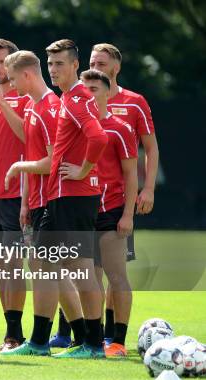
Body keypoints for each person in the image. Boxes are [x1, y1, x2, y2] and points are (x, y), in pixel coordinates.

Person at [89, 42, 158, 343]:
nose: (96, 67)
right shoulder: (81, 105)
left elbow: (151, 148)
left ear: (115, 68)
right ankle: (100, 336)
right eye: (92, 63)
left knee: (113, 272)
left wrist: (148, 189)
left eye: (102, 63)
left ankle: (114, 339)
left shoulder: (134, 102)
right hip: (87, 202)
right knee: (91, 273)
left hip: (118, 200)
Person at [44, 39, 108, 359]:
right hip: (60, 195)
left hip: (74, 195)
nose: (53, 70)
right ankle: (82, 336)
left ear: (75, 66)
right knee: (47, 262)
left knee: (81, 269)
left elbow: (98, 136)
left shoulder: (77, 98)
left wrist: (84, 169)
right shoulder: (67, 98)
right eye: (50, 64)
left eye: (60, 64)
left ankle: (94, 344)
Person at [0, 50, 61, 356]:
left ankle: (39, 343)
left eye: (12, 79)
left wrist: (18, 168)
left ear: (27, 75)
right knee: (47, 273)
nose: (10, 86)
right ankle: (84, 338)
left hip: (51, 201)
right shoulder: (37, 107)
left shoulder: (49, 107)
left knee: (47, 273)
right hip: (37, 201)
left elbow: (52, 162)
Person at [81, 69, 138, 357]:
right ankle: (94, 339)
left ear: (106, 92)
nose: (88, 93)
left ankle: (118, 340)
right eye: (85, 88)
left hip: (112, 211)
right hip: (83, 212)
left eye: (94, 88)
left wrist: (128, 214)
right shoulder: (77, 126)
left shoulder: (120, 128)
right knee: (90, 278)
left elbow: (131, 175)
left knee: (117, 277)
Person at [0, 38, 30, 352]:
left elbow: (27, 137)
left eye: (3, 62)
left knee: (14, 266)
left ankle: (17, 334)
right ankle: (8, 334)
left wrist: (0, 101)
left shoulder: (25, 97)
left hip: (15, 194)